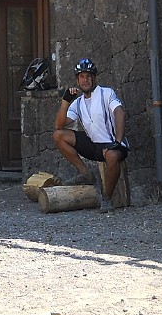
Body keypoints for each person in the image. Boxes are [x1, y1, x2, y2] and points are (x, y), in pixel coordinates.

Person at [53, 58, 128, 212]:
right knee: (58, 135)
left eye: (88, 76)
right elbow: (59, 125)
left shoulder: (106, 93)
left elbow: (120, 112)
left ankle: (107, 198)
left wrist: (118, 141)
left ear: (94, 78)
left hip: (112, 144)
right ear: (77, 80)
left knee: (113, 156)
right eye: (81, 77)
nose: (85, 80)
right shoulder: (78, 102)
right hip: (93, 145)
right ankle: (85, 174)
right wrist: (65, 101)